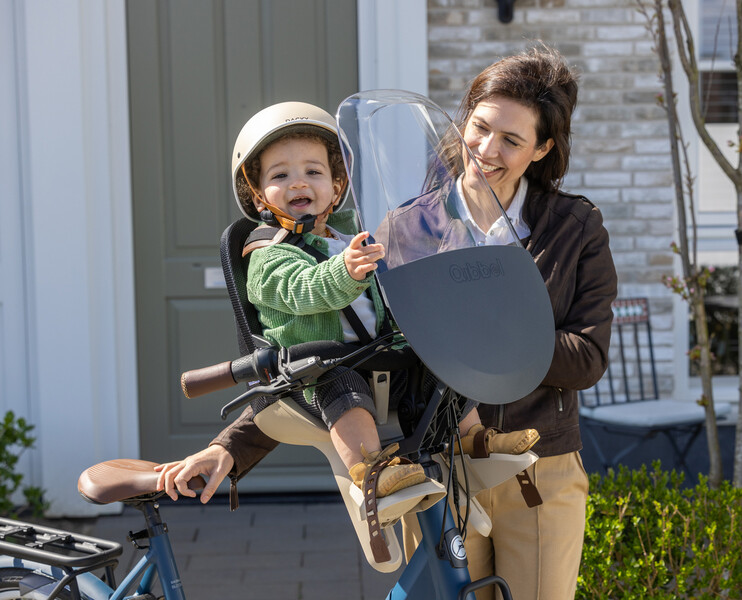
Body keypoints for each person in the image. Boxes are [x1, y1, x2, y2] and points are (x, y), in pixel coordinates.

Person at [155, 101, 539, 505]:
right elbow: (302, 288)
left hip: (380, 354)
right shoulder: (266, 253)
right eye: (280, 175)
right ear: (256, 194)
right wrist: (347, 271)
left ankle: (476, 440)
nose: (298, 183)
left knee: (440, 365)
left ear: (337, 185)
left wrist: (438, 263)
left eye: (313, 172)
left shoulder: (352, 230)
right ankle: (374, 469)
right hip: (320, 368)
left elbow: (399, 273)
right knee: (344, 391)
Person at [379, 44, 616, 600]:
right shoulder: (407, 228)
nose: (486, 149)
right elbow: (368, 345)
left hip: (538, 464)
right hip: (439, 466)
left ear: (542, 149)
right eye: (479, 128)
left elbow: (588, 358)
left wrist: (495, 324)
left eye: (512, 140)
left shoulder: (575, 227)